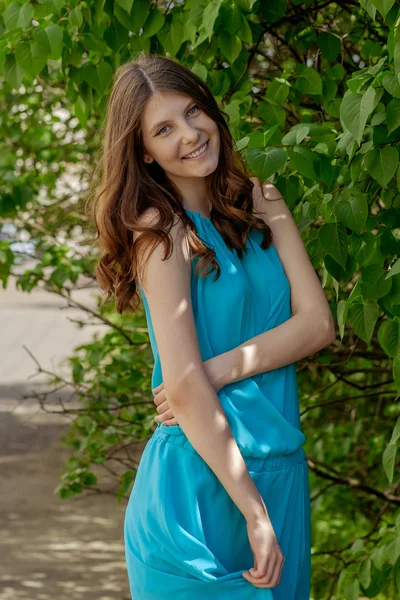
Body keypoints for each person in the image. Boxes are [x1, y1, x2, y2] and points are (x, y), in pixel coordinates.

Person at [90, 51, 335, 599]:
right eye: (164, 129)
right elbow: (180, 387)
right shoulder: (160, 233)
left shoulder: (263, 202)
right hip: (200, 486)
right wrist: (253, 510)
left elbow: (318, 324)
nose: (190, 134)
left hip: (281, 472)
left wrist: (215, 370)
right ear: (145, 153)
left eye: (193, 112)